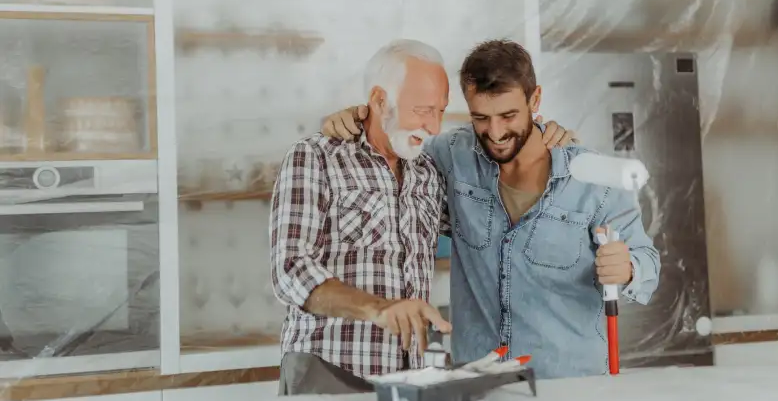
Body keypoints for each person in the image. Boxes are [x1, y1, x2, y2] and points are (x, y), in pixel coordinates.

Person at [321, 39, 661, 380]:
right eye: (480, 118)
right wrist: (360, 117)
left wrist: (628, 269)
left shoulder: (592, 177)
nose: (495, 133)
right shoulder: (450, 155)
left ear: (535, 100)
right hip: (478, 385)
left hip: (569, 385)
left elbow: (648, 263)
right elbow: (395, 145)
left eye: (508, 115)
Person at [271, 39, 574, 381]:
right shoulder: (316, 158)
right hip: (328, 372)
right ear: (380, 100)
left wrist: (542, 137)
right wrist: (379, 309)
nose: (433, 127)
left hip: (409, 379)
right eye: (422, 110)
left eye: (440, 111)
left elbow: (488, 230)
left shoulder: (428, 173)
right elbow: (290, 271)